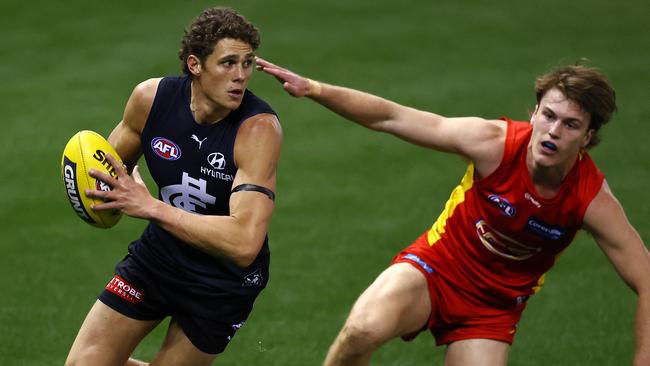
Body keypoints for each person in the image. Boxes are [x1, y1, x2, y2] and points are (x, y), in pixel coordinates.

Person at [256, 57, 650, 365]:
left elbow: (646, 279)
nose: (552, 131)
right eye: (547, 116)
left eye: (570, 125)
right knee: (361, 329)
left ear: (588, 137)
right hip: (436, 268)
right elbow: (391, 117)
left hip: (492, 309)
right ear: (533, 113)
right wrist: (314, 88)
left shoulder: (590, 199)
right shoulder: (494, 144)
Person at [65, 7, 282, 366]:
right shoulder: (152, 100)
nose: (241, 76)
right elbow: (107, 170)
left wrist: (150, 206)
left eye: (248, 63)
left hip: (222, 281)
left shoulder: (257, 130)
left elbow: (244, 244)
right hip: (160, 257)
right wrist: (106, 190)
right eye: (228, 63)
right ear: (195, 64)